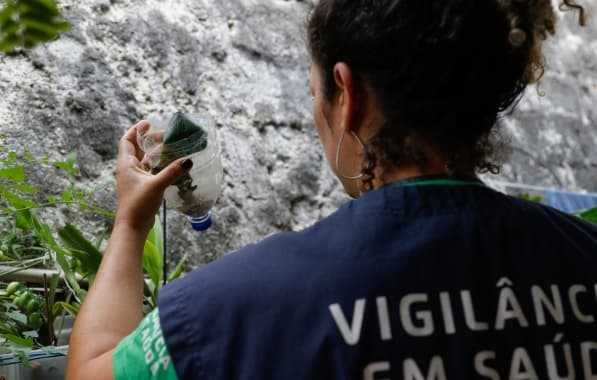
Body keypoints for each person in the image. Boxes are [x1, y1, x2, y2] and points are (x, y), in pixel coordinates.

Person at [66, 0, 596, 379]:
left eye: (316, 91)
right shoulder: (583, 257)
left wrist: (131, 222)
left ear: (348, 93)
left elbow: (92, 370)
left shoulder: (227, 312)